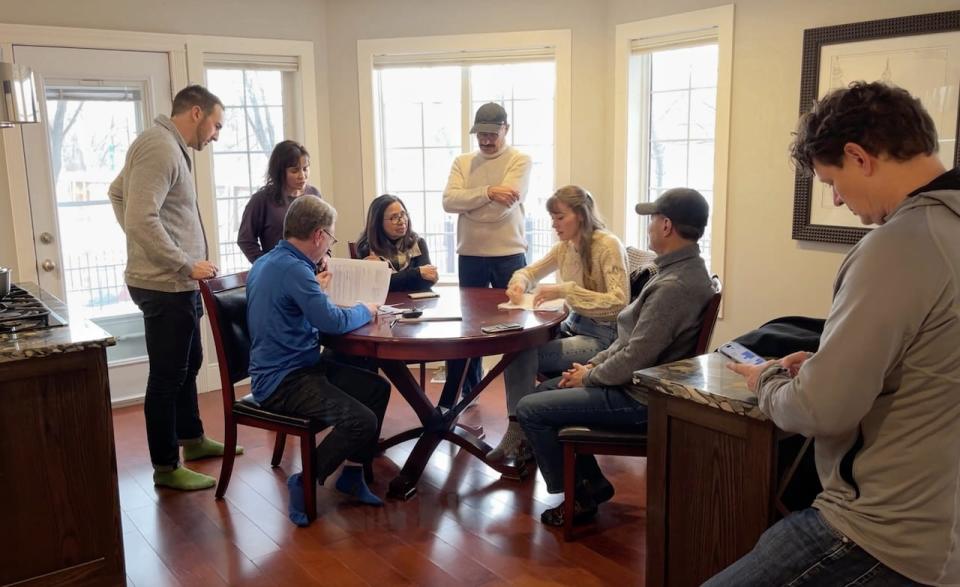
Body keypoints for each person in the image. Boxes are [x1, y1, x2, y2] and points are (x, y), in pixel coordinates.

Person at [706, 82, 960, 586]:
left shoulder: (898, 246)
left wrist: (771, 378)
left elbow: (823, 410)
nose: (839, 200)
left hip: (882, 531)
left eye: (831, 182)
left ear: (858, 156)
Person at [517, 188, 714, 527]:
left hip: (639, 399)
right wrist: (592, 365)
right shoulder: (679, 271)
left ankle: (579, 496)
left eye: (653, 220)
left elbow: (637, 356)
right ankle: (591, 484)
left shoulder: (674, 286)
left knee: (530, 408)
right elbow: (630, 339)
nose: (649, 227)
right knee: (543, 392)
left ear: (666, 226)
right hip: (633, 383)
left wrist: (589, 376)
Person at [108, 84, 238, 492]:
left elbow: (117, 194)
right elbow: (140, 218)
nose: (216, 134)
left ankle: (193, 440)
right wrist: (181, 261)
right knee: (167, 376)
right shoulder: (159, 147)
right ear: (196, 113)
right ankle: (165, 466)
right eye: (216, 125)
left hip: (176, 282)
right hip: (166, 284)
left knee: (190, 362)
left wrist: (156, 251)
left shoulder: (166, 145)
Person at [246, 194, 391, 526]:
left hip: (297, 368)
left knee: (376, 390)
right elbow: (334, 322)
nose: (329, 247)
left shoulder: (271, 262)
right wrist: (365, 308)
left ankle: (352, 475)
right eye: (331, 238)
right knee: (361, 421)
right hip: (283, 381)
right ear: (318, 235)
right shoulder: (295, 271)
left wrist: (317, 288)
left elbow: (299, 313)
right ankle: (305, 479)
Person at [487, 185, 629, 462]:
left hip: (604, 338)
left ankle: (522, 432)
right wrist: (519, 283)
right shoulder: (565, 248)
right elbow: (529, 271)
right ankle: (525, 430)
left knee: (518, 355)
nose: (554, 224)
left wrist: (566, 290)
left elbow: (619, 301)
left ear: (581, 215)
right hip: (575, 326)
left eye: (559, 217)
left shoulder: (608, 245)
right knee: (518, 347)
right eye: (552, 217)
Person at [440, 101, 532, 404]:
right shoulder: (463, 162)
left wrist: (470, 203)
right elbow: (449, 202)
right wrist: (489, 192)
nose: (486, 140)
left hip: (510, 254)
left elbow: (502, 211)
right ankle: (469, 393)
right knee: (469, 328)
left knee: (516, 326)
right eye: (481, 134)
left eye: (493, 134)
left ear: (506, 129)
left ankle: (518, 400)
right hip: (470, 255)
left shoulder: (519, 159)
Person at [237, 140, 320, 263]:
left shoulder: (314, 194)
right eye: (294, 170)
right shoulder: (261, 200)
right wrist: (265, 265)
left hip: (312, 270)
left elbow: (324, 232)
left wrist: (325, 255)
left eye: (305, 169)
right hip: (279, 273)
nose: (302, 176)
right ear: (280, 172)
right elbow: (245, 240)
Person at [356, 194, 438, 292]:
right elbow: (374, 286)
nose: (402, 221)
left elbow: (427, 281)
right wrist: (417, 273)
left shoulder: (418, 243)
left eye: (403, 215)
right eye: (394, 217)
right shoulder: (367, 247)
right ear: (378, 222)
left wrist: (390, 278)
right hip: (382, 305)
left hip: (414, 305)